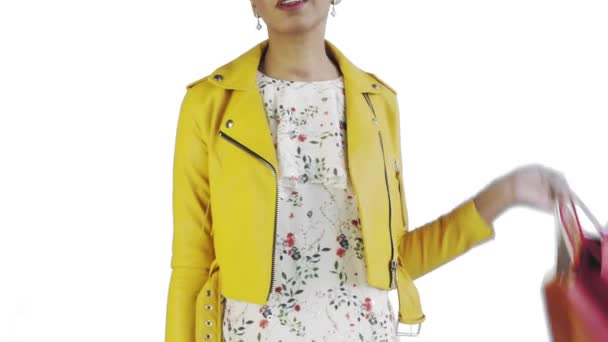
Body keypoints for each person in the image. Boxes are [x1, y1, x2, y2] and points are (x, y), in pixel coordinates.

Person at [165, 1, 572, 341]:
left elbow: (396, 262)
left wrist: (505, 193)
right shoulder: (209, 105)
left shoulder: (379, 105)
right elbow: (191, 267)